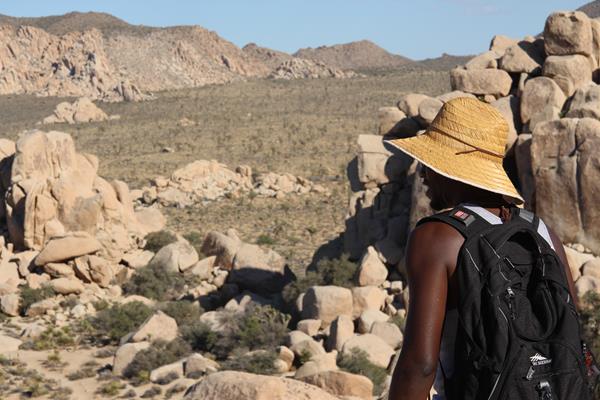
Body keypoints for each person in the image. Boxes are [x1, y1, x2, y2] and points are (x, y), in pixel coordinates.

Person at [384, 97, 579, 400]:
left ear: (451, 169)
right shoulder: (541, 231)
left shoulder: (437, 237)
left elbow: (420, 365)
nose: (423, 175)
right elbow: (571, 333)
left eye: (429, 164)